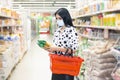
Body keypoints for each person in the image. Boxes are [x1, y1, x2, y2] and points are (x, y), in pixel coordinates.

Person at [47, 8, 79, 80]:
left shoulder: (71, 30)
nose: (58, 20)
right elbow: (55, 47)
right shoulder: (57, 31)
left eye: (60, 18)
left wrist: (56, 48)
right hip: (57, 64)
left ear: (65, 18)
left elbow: (73, 50)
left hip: (67, 64)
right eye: (57, 18)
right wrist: (49, 49)